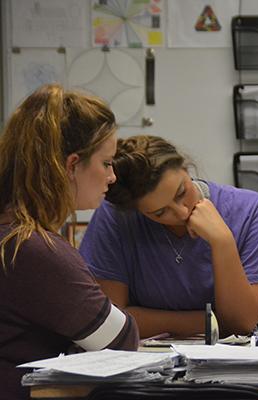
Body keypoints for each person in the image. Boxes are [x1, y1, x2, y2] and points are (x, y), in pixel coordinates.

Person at [0, 84, 139, 399]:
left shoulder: (12, 233)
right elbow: (121, 340)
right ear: (72, 165)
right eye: (107, 162)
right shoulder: (32, 248)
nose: (112, 176)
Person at [79, 135, 258, 339]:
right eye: (160, 213)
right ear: (136, 211)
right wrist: (209, 321)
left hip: (228, 363)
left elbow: (241, 323)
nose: (181, 212)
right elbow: (112, 321)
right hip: (144, 361)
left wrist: (222, 242)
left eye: (181, 192)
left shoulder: (251, 211)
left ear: (186, 169)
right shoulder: (115, 216)